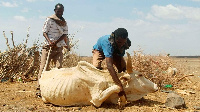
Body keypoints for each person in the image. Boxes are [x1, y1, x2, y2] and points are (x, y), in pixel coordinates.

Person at [36, 3, 70, 97]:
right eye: (58, 11)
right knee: (44, 67)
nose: (60, 13)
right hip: (48, 47)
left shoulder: (64, 22)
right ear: (55, 10)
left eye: (61, 11)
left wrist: (56, 41)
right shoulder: (49, 20)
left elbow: (65, 34)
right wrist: (50, 42)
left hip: (59, 47)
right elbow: (44, 32)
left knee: (59, 68)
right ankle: (39, 89)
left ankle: (56, 88)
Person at [92, 28, 131, 98]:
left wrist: (121, 71)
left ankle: (123, 86)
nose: (121, 44)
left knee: (122, 68)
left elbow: (120, 58)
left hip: (114, 51)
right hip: (99, 50)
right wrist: (119, 85)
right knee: (96, 69)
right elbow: (109, 65)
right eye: (119, 42)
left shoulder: (125, 44)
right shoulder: (107, 42)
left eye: (123, 42)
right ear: (115, 38)